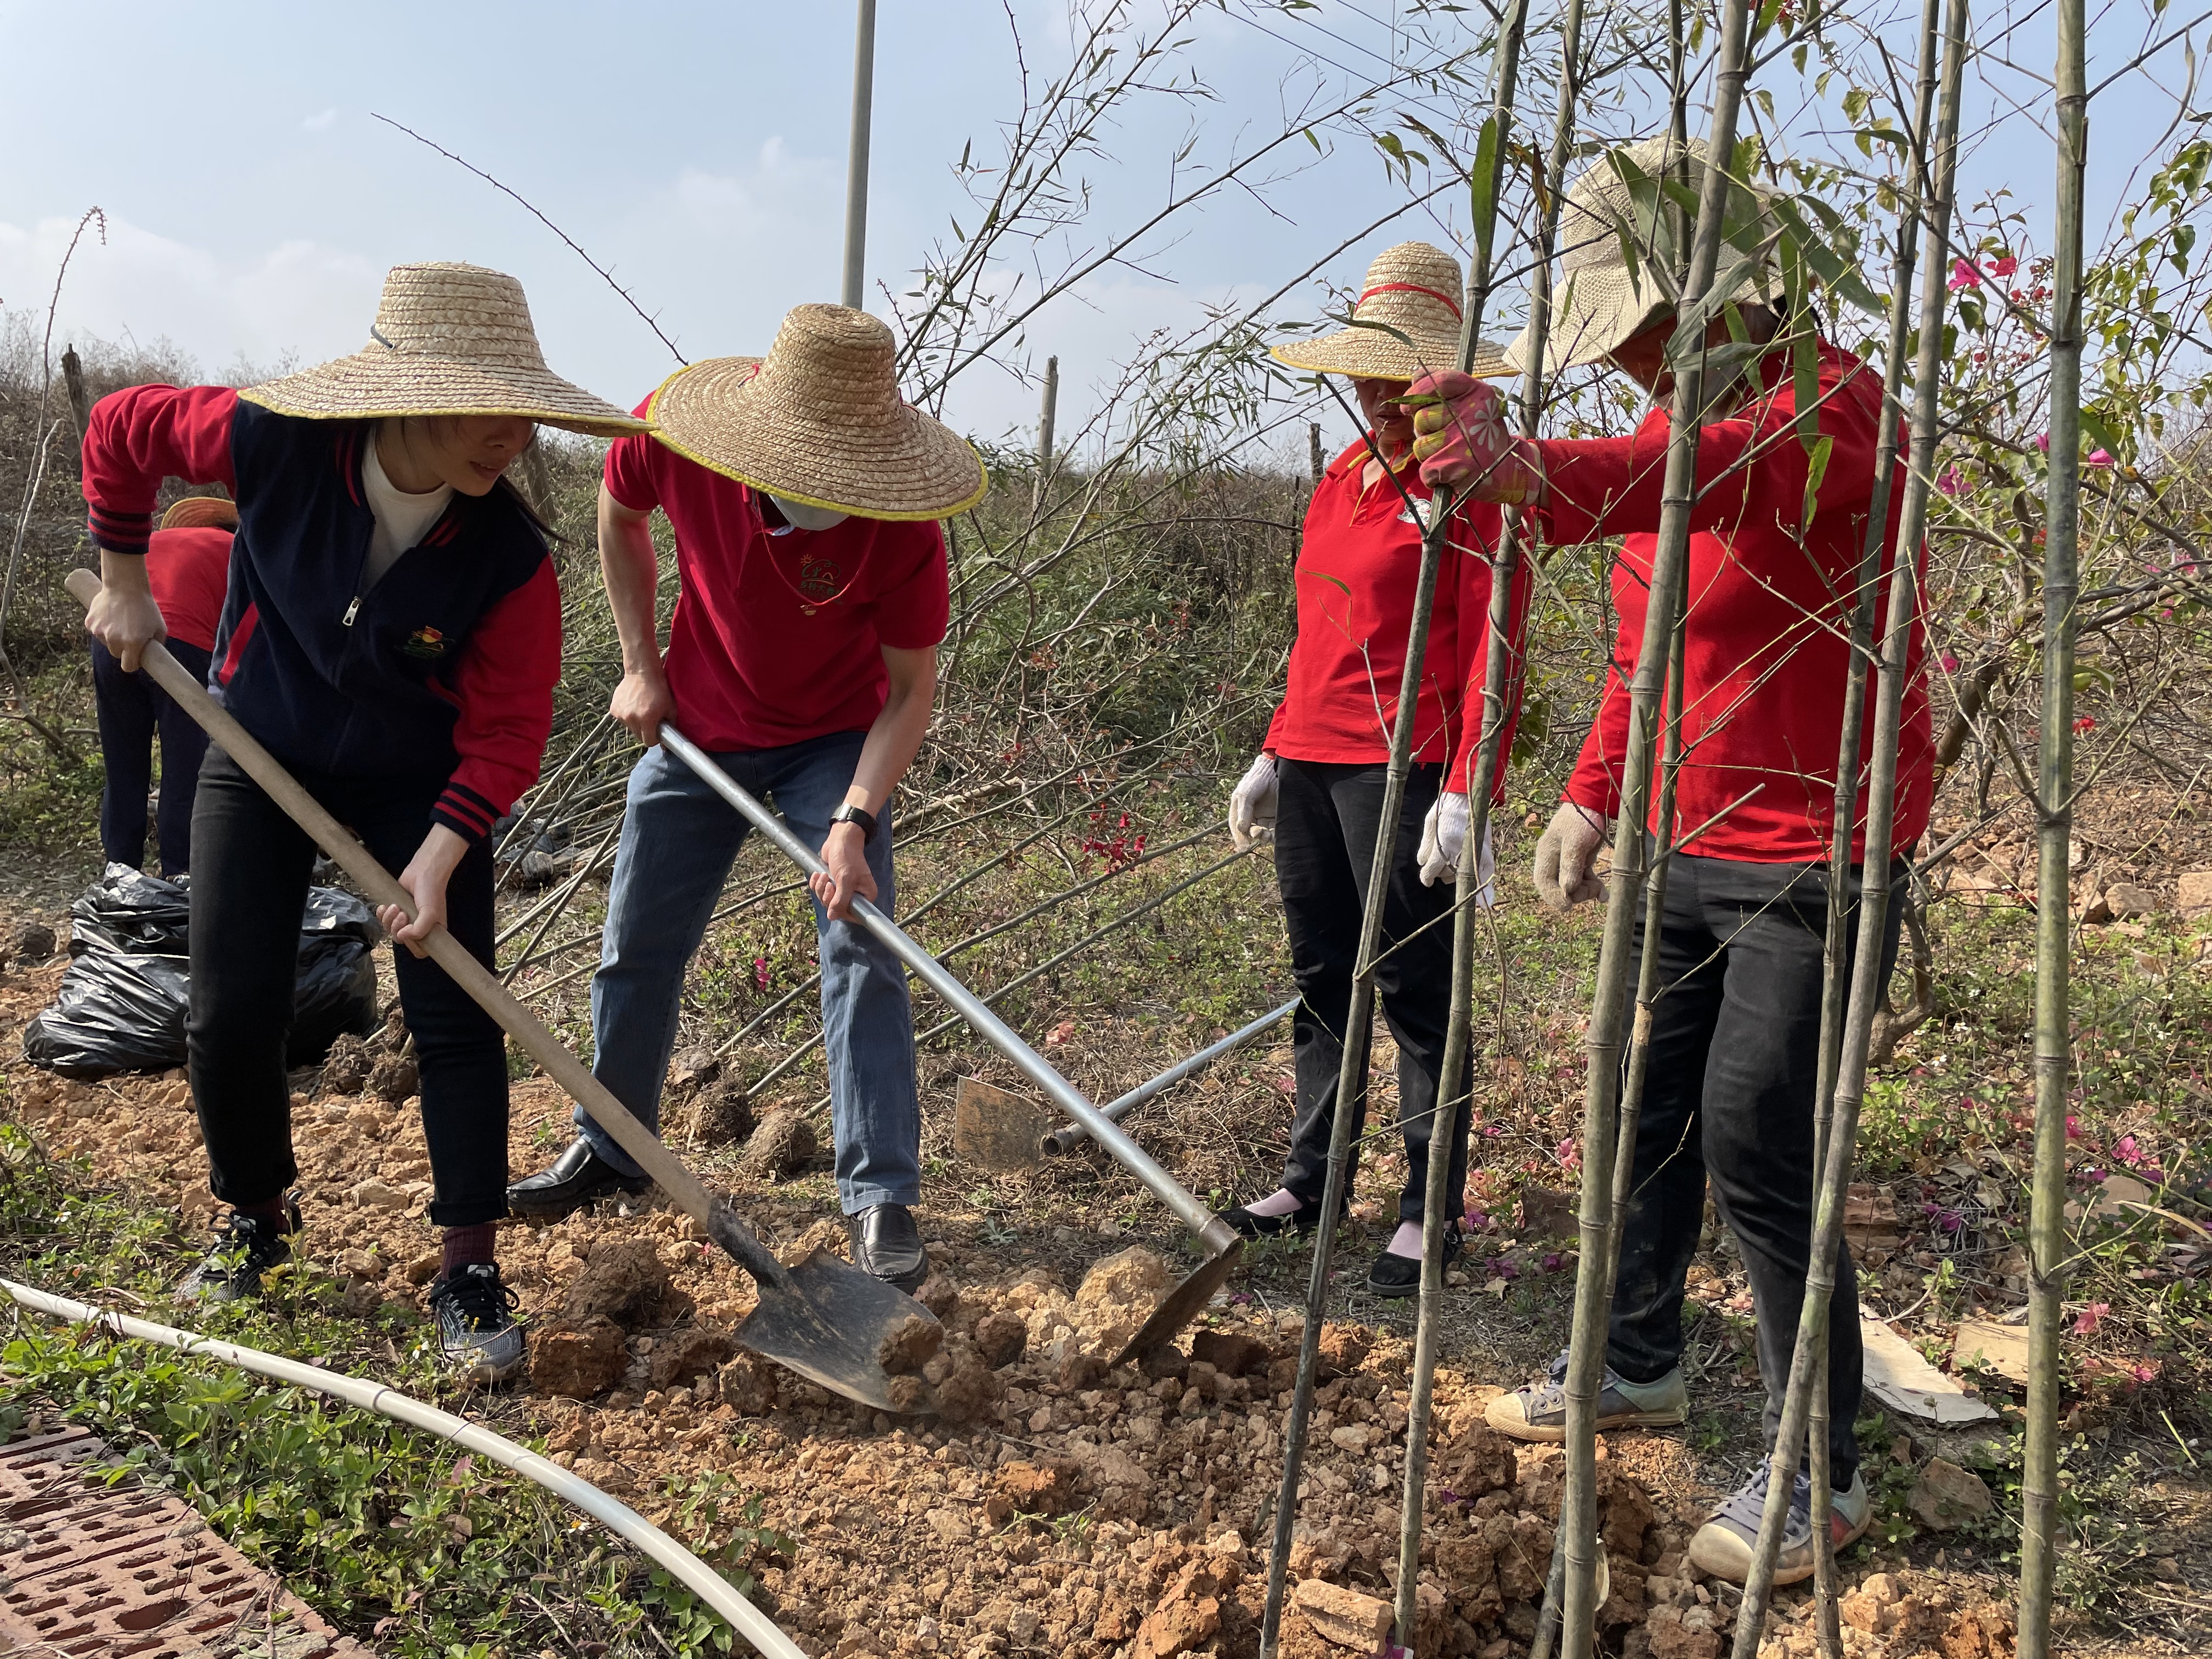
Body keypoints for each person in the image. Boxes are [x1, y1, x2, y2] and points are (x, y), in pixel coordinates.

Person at [1409, 138, 1932, 1583]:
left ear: (1714, 304)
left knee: (1760, 1131)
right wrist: (1588, 799)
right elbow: (1648, 655)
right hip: (1684, 838)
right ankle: (1638, 1360)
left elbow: (1701, 475)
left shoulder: (1835, 406)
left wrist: (1527, 467)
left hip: (1822, 847)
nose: (1629, 369)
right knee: (1647, 1105)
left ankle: (1821, 1473)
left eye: (1636, 336)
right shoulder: (1673, 451)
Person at [80, 263, 646, 1380]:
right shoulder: (275, 444)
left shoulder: (511, 561)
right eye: (486, 409)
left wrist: (441, 853)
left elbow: (506, 729)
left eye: (523, 410)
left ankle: (469, 1264)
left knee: (455, 1016)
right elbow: (118, 429)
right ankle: (254, 1220)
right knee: (231, 1009)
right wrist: (125, 581)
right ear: (409, 397)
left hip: (415, 785)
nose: (512, 438)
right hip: (259, 751)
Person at [506, 304, 985, 1295]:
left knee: (862, 944)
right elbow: (615, 512)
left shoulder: (902, 528)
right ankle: (615, 1140)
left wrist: (852, 817)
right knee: (637, 937)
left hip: (834, 743)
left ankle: (880, 1193)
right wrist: (642, 664)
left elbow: (908, 692)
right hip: (702, 727)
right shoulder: (679, 441)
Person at [1213, 242, 1532, 1297]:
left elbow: (1500, 634)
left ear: (1443, 380)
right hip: (1310, 755)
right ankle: (1313, 1177)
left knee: (1413, 983)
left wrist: (1466, 782)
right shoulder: (1344, 477)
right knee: (1320, 977)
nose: (1375, 398)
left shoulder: (1477, 480)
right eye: (1364, 378)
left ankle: (1425, 1204)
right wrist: (1272, 741)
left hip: (1403, 761)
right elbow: (1318, 624)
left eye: (1395, 382)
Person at [89, 495, 236, 873]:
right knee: (185, 772)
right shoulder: (241, 552)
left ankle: (118, 879)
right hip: (183, 643)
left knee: (123, 768)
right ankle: (180, 881)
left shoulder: (154, 542)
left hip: (114, 635)